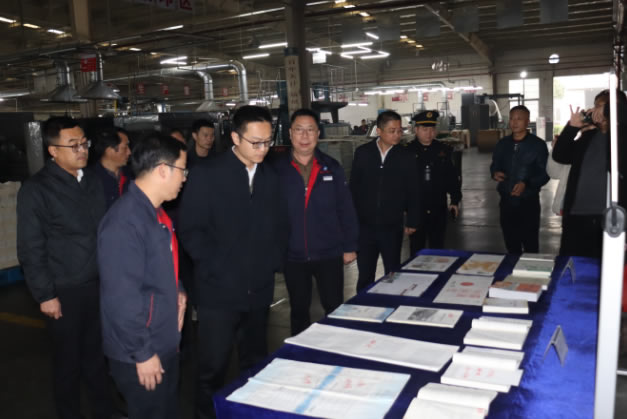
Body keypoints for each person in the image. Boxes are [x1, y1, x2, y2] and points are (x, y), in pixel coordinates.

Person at [178, 106, 287, 419]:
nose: (263, 149)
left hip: (259, 289)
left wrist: (271, 262)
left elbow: (281, 226)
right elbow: (190, 229)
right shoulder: (208, 175)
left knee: (254, 362)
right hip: (219, 292)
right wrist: (215, 267)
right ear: (236, 138)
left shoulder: (270, 176)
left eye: (267, 141)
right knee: (213, 367)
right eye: (256, 142)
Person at [16, 116, 113, 419]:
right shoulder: (37, 190)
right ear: (53, 151)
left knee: (98, 357)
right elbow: (31, 247)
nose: (82, 150)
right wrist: (45, 294)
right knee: (68, 362)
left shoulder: (93, 180)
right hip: (65, 290)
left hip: (99, 284)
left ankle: (104, 411)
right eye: (73, 145)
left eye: (84, 143)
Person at [98, 133, 187, 419]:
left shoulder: (156, 214)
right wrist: (143, 353)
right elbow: (120, 298)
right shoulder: (124, 223)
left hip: (163, 339)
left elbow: (161, 266)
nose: (184, 178)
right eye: (182, 170)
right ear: (163, 170)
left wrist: (178, 291)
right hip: (141, 350)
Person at [274, 108, 359, 335]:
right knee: (299, 310)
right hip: (293, 255)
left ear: (318, 134)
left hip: (329, 253)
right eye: (299, 130)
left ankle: (334, 348)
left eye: (310, 130)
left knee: (334, 308)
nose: (304, 136)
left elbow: (345, 208)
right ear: (290, 133)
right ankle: (299, 352)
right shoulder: (276, 170)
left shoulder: (332, 167)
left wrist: (350, 245)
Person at [350, 110, 420, 291]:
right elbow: (353, 188)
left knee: (392, 273)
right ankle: (363, 305)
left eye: (399, 130)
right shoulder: (363, 153)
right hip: (365, 227)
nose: (397, 135)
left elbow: (413, 190)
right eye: (392, 131)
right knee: (365, 274)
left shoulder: (406, 156)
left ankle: (391, 303)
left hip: (391, 226)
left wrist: (412, 219)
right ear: (379, 131)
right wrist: (351, 220)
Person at [552, 89, 627, 257]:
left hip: (608, 219)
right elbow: (561, 155)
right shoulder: (588, 136)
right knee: (573, 264)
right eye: (596, 106)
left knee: (605, 266)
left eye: (602, 106)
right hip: (576, 216)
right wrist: (572, 127)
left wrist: (608, 110)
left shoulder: (621, 137)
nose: (595, 110)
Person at [490, 105, 549, 254]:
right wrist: (494, 173)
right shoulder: (502, 144)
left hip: (528, 202)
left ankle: (530, 268)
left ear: (527, 121)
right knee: (511, 243)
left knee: (530, 245)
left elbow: (545, 173)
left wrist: (526, 184)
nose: (514, 122)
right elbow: (495, 165)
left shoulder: (538, 145)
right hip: (506, 201)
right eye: (511, 118)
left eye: (519, 119)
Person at [407, 110, 462, 255]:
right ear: (416, 130)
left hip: (438, 208)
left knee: (438, 249)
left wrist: (455, 200)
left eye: (432, 129)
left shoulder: (443, 150)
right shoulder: (407, 151)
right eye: (425, 129)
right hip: (416, 210)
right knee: (416, 250)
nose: (429, 133)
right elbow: (401, 184)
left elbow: (452, 177)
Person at [90, 127, 132, 210]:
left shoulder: (132, 174)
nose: (129, 152)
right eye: (125, 147)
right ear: (109, 150)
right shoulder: (91, 179)